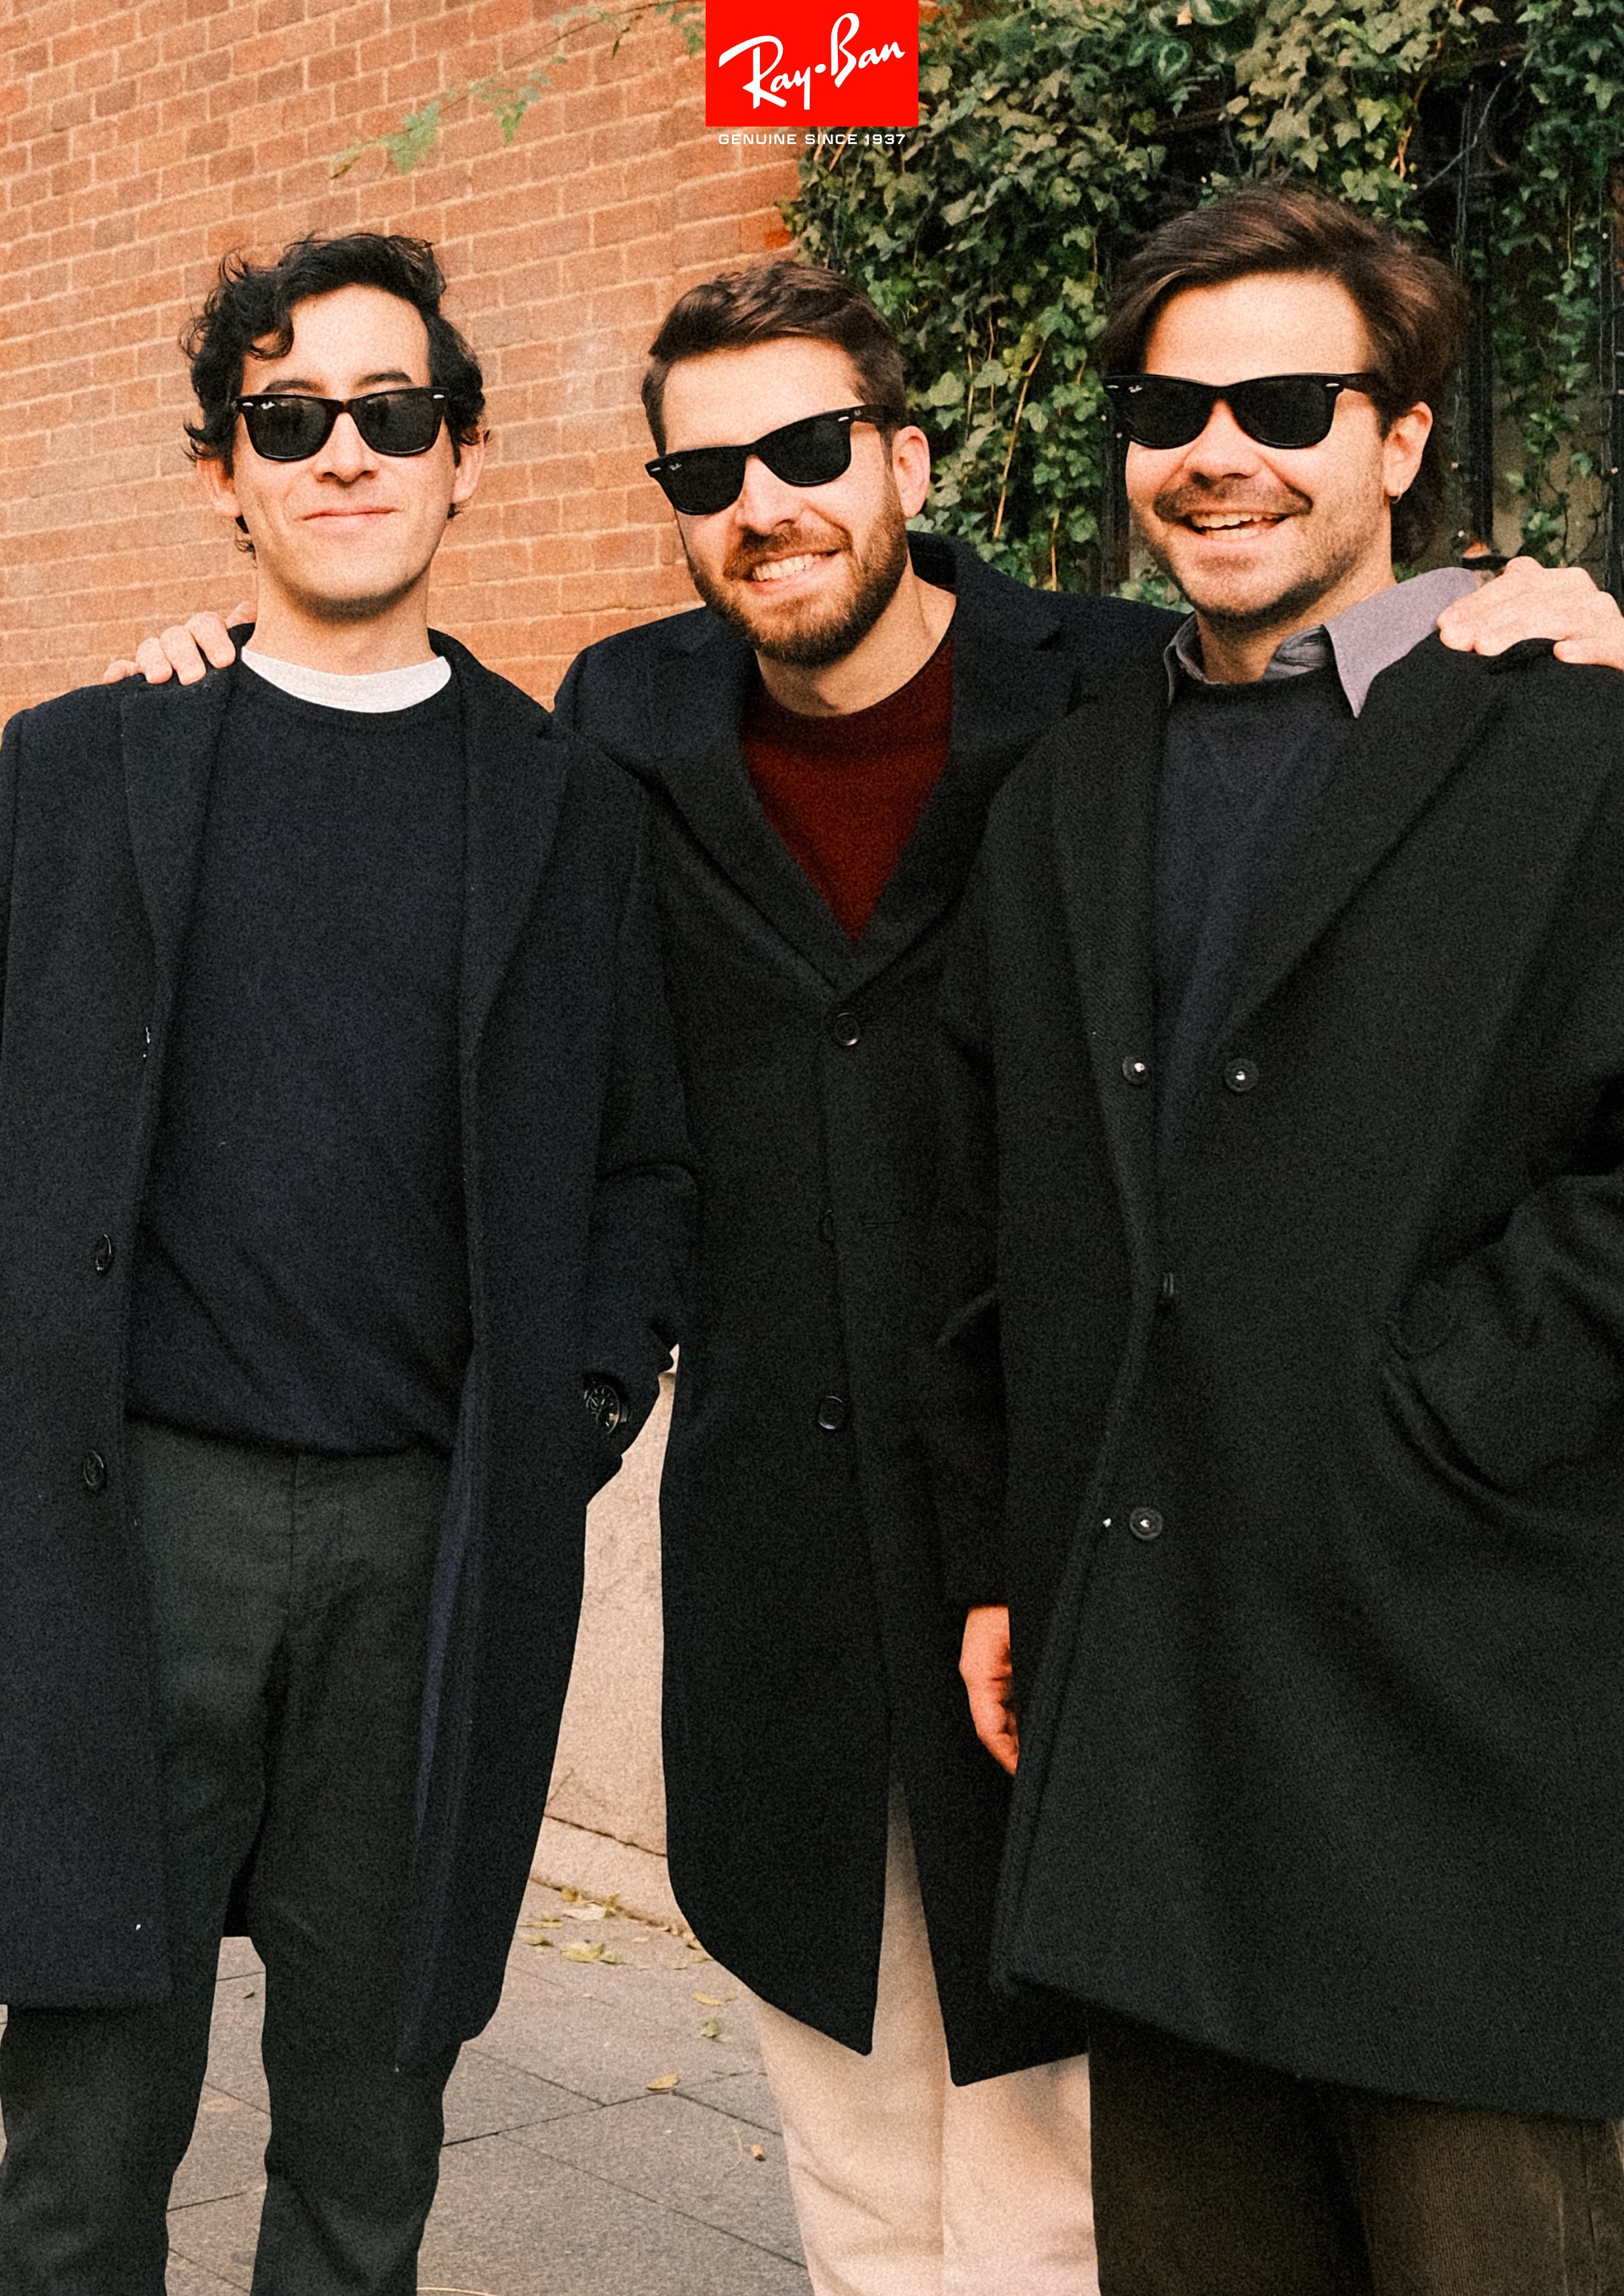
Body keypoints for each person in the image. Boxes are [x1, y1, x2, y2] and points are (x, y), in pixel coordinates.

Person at [111, 257, 1624, 2296]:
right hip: (783, 1546)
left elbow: (1354, 719)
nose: (766, 503)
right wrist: (212, 667)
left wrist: (1534, 607)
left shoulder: (1103, 690)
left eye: (812, 448)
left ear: (907, 460)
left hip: (1076, 1515)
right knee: (853, 2165)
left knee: (1086, 2168)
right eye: (707, 471)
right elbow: (457, 902)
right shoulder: (625, 719)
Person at [916, 181, 1624, 2294]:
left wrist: (1445, 1403)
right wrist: (1004, 1543)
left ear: (1397, 437)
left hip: (1452, 1715)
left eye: (1286, 403)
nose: (1217, 452)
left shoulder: (1570, 737)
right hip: (1158, 1728)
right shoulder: (1064, 793)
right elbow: (1004, 1188)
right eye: (1168, 409)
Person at [0, 230, 691, 2296]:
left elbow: (642, 1161)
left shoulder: (568, 805)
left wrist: (568, 1415)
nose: (345, 452)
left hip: (431, 1537)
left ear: (464, 449)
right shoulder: (82, 767)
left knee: (369, 2136)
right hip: (136, 1524)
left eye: (393, 411)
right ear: (225, 472)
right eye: (289, 418)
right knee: (77, 2148)